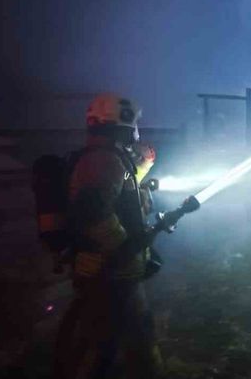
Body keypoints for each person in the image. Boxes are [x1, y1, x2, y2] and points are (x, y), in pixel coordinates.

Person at [53, 94, 165, 379]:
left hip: (113, 272)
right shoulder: (103, 160)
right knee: (106, 347)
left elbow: (118, 196)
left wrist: (141, 169)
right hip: (110, 273)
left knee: (119, 340)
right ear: (123, 123)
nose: (137, 130)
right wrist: (126, 249)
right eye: (134, 123)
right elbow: (93, 212)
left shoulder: (106, 158)